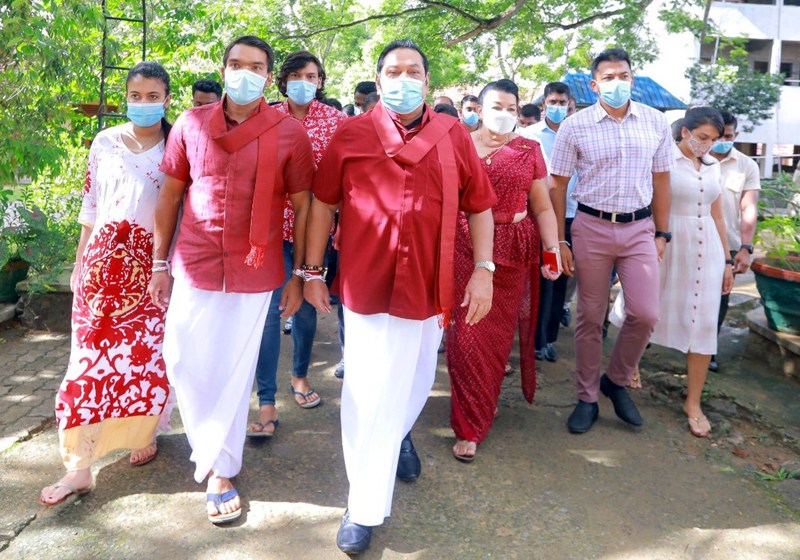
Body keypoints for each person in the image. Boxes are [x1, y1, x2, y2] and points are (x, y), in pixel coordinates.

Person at [303, 39, 496, 555]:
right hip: (366, 284)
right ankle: (363, 504)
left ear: (428, 82)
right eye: (393, 71)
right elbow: (322, 205)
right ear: (378, 79)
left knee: (413, 381)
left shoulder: (453, 135)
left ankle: (398, 436)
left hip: (430, 287)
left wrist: (484, 270)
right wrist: (312, 271)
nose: (403, 79)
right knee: (366, 393)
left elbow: (479, 206)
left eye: (413, 71)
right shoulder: (352, 133)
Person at [147, 35, 314, 524]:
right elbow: (170, 195)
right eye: (237, 64)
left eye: (256, 66)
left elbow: (304, 206)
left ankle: (220, 468)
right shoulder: (191, 124)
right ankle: (211, 447)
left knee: (233, 371)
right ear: (223, 71)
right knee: (182, 358)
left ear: (269, 76)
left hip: (255, 268)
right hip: (195, 260)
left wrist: (301, 275)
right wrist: (158, 264)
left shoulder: (289, 132)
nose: (246, 73)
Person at [39, 61, 175, 506]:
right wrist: (80, 263)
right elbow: (90, 206)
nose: (143, 103)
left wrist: (167, 268)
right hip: (100, 272)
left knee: (145, 363)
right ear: (126, 98)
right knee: (86, 366)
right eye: (135, 96)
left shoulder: (178, 145)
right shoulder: (105, 142)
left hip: (153, 274)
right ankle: (78, 467)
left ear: (167, 99)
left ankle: (142, 434)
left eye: (152, 96)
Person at [549, 48, 674, 434]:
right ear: (594, 84)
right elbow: (557, 185)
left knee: (645, 313)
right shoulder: (575, 126)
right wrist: (559, 240)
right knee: (590, 315)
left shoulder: (655, 121)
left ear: (632, 79)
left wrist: (663, 232)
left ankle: (615, 381)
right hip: (591, 226)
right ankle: (587, 396)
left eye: (623, 76)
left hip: (639, 228)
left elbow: (662, 179)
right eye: (608, 77)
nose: (616, 83)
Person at [447, 79, 561, 462]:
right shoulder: (458, 144)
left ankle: (483, 401)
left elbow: (542, 207)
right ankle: (468, 425)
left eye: (512, 108)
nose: (505, 114)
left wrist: (552, 250)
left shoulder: (529, 149)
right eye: (497, 106)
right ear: (478, 109)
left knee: (495, 339)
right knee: (466, 336)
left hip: (513, 250)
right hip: (464, 249)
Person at [611, 107, 734, 436]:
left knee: (704, 322)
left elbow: (718, 215)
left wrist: (727, 260)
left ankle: (693, 402)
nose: (707, 145)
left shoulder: (713, 167)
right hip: (664, 242)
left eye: (714, 140)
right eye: (703, 137)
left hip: (706, 247)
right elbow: (644, 204)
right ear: (685, 132)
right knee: (645, 310)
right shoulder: (661, 159)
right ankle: (629, 364)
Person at [248, 50, 347, 436]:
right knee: (272, 312)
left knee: (305, 309)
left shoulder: (336, 122)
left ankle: (300, 376)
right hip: (272, 231)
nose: (303, 82)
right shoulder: (266, 117)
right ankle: (267, 398)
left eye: (311, 76)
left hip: (315, 233)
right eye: (295, 76)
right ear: (282, 81)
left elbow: (345, 179)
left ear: (320, 81)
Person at [520, 82, 577, 363]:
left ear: (569, 105)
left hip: (571, 214)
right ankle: (534, 339)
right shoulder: (528, 136)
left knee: (562, 277)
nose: (557, 107)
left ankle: (549, 338)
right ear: (544, 104)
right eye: (552, 102)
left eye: (562, 102)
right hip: (538, 214)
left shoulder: (577, 133)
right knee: (541, 279)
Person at [708, 110, 760, 371]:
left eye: (728, 136)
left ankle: (708, 349)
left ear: (735, 135)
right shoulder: (695, 157)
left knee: (720, 297)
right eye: (718, 136)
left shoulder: (746, 165)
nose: (722, 141)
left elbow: (749, 208)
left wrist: (745, 247)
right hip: (690, 237)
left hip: (726, 244)